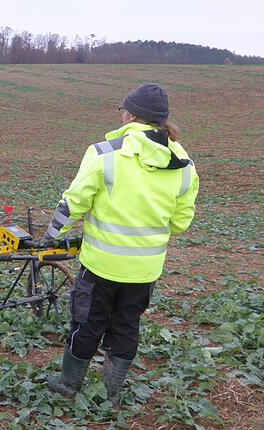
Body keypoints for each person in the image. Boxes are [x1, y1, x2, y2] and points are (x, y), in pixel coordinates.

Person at [43, 83, 199, 406]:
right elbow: (181, 222)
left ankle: (69, 384)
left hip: (100, 266)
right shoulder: (184, 163)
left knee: (86, 324)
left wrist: (51, 235)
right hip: (144, 271)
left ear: (130, 115)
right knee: (127, 326)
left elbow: (74, 203)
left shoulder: (105, 153)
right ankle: (111, 393)